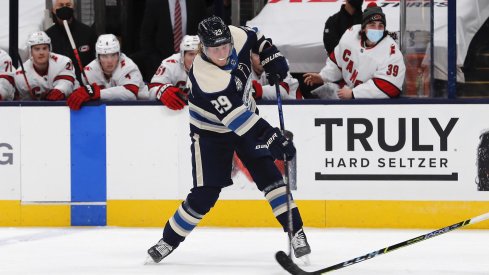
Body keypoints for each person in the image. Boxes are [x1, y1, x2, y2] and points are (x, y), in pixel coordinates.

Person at [146, 16, 311, 263]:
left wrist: (270, 54)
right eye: (215, 49)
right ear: (202, 47)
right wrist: (272, 137)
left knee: (271, 177)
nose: (222, 53)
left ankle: (296, 232)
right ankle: (168, 240)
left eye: (225, 46)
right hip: (211, 133)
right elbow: (238, 120)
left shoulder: (236, 35)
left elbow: (258, 38)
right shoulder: (205, 76)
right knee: (205, 195)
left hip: (246, 118)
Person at [304, 3, 406, 100]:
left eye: (380, 26)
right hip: (347, 94)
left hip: (376, 105)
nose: (377, 29)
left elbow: (391, 87)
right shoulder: (350, 35)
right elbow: (337, 62)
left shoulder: (391, 52)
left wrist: (354, 93)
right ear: (363, 27)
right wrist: (323, 76)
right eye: (372, 25)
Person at [67, 34, 144, 110]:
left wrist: (96, 93)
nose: (109, 61)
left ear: (119, 54)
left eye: (113, 55)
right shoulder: (88, 73)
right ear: (98, 57)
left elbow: (130, 95)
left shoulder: (129, 66)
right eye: (104, 56)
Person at [137, 0, 208, 82]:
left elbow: (204, 33)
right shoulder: (154, 3)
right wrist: (159, 64)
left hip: (193, 68)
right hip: (160, 67)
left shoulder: (197, 2)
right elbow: (146, 37)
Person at [138, 35, 200, 110]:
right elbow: (152, 89)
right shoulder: (169, 64)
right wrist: (160, 91)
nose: (195, 59)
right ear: (182, 55)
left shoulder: (213, 66)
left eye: (199, 55)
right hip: (173, 112)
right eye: (191, 54)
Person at [45, 0, 97, 85]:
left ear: (73, 8)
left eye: (68, 5)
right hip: (58, 87)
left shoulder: (88, 33)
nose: (65, 8)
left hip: (84, 87)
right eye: (61, 5)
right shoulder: (47, 36)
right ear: (53, 9)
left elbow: (97, 61)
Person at [15, 31, 77, 101]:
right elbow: (21, 102)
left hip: (69, 105)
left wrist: (59, 90)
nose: (41, 53)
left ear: (49, 49)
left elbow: (66, 83)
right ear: (30, 51)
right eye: (37, 49)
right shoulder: (20, 75)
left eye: (44, 48)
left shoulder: (63, 62)